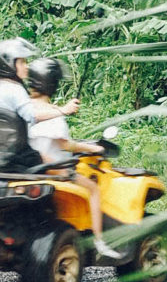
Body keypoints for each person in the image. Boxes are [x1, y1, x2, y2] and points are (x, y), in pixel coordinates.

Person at [24, 55, 122, 262]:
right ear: (52, 85)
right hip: (55, 169)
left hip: (29, 166)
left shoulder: (24, 107)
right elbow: (66, 145)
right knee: (93, 189)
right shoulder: (53, 113)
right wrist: (94, 147)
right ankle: (99, 242)